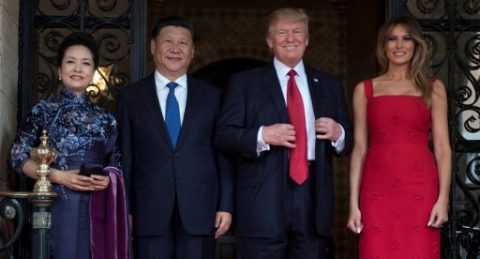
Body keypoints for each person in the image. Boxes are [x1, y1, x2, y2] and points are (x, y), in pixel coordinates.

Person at [215, 7, 353, 259]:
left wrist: (339, 132)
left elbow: (349, 143)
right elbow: (223, 136)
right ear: (269, 40)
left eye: (297, 32)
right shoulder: (245, 83)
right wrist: (261, 135)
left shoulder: (329, 85)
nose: (291, 38)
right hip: (262, 198)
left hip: (312, 199)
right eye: (282, 32)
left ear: (308, 39)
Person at [115, 14, 234, 259]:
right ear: (152, 46)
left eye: (183, 43)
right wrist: (124, 208)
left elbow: (224, 154)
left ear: (192, 51)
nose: (175, 49)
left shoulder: (213, 97)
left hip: (201, 209)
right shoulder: (131, 97)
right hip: (148, 211)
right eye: (168, 41)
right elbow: (125, 157)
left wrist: (226, 204)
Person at [10, 32, 128, 258]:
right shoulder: (42, 111)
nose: (77, 69)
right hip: (53, 203)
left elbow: (116, 163)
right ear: (58, 70)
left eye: (86, 64)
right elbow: (17, 156)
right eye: (70, 62)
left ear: (93, 72)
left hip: (96, 204)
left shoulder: (106, 118)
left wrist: (107, 178)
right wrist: (58, 176)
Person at [346, 16, 451, 258]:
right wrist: (353, 203)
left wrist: (443, 199)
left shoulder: (433, 87)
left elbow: (443, 148)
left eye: (406, 39)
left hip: (420, 189)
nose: (399, 45)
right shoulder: (365, 89)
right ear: (383, 45)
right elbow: (360, 148)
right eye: (392, 39)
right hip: (376, 190)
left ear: (416, 45)